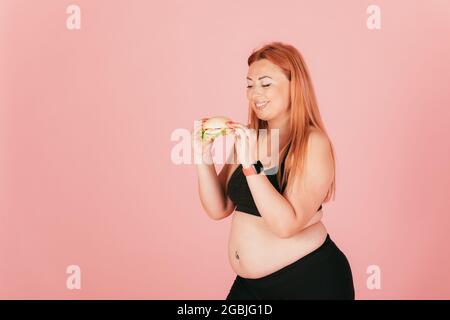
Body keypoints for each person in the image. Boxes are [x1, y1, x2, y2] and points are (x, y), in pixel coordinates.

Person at [192, 42, 355, 300]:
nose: (254, 93)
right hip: (250, 288)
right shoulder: (250, 136)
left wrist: (250, 165)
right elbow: (219, 207)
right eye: (249, 84)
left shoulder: (313, 142)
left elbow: (286, 225)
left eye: (265, 83)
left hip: (308, 282)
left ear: (295, 86)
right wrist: (202, 155)